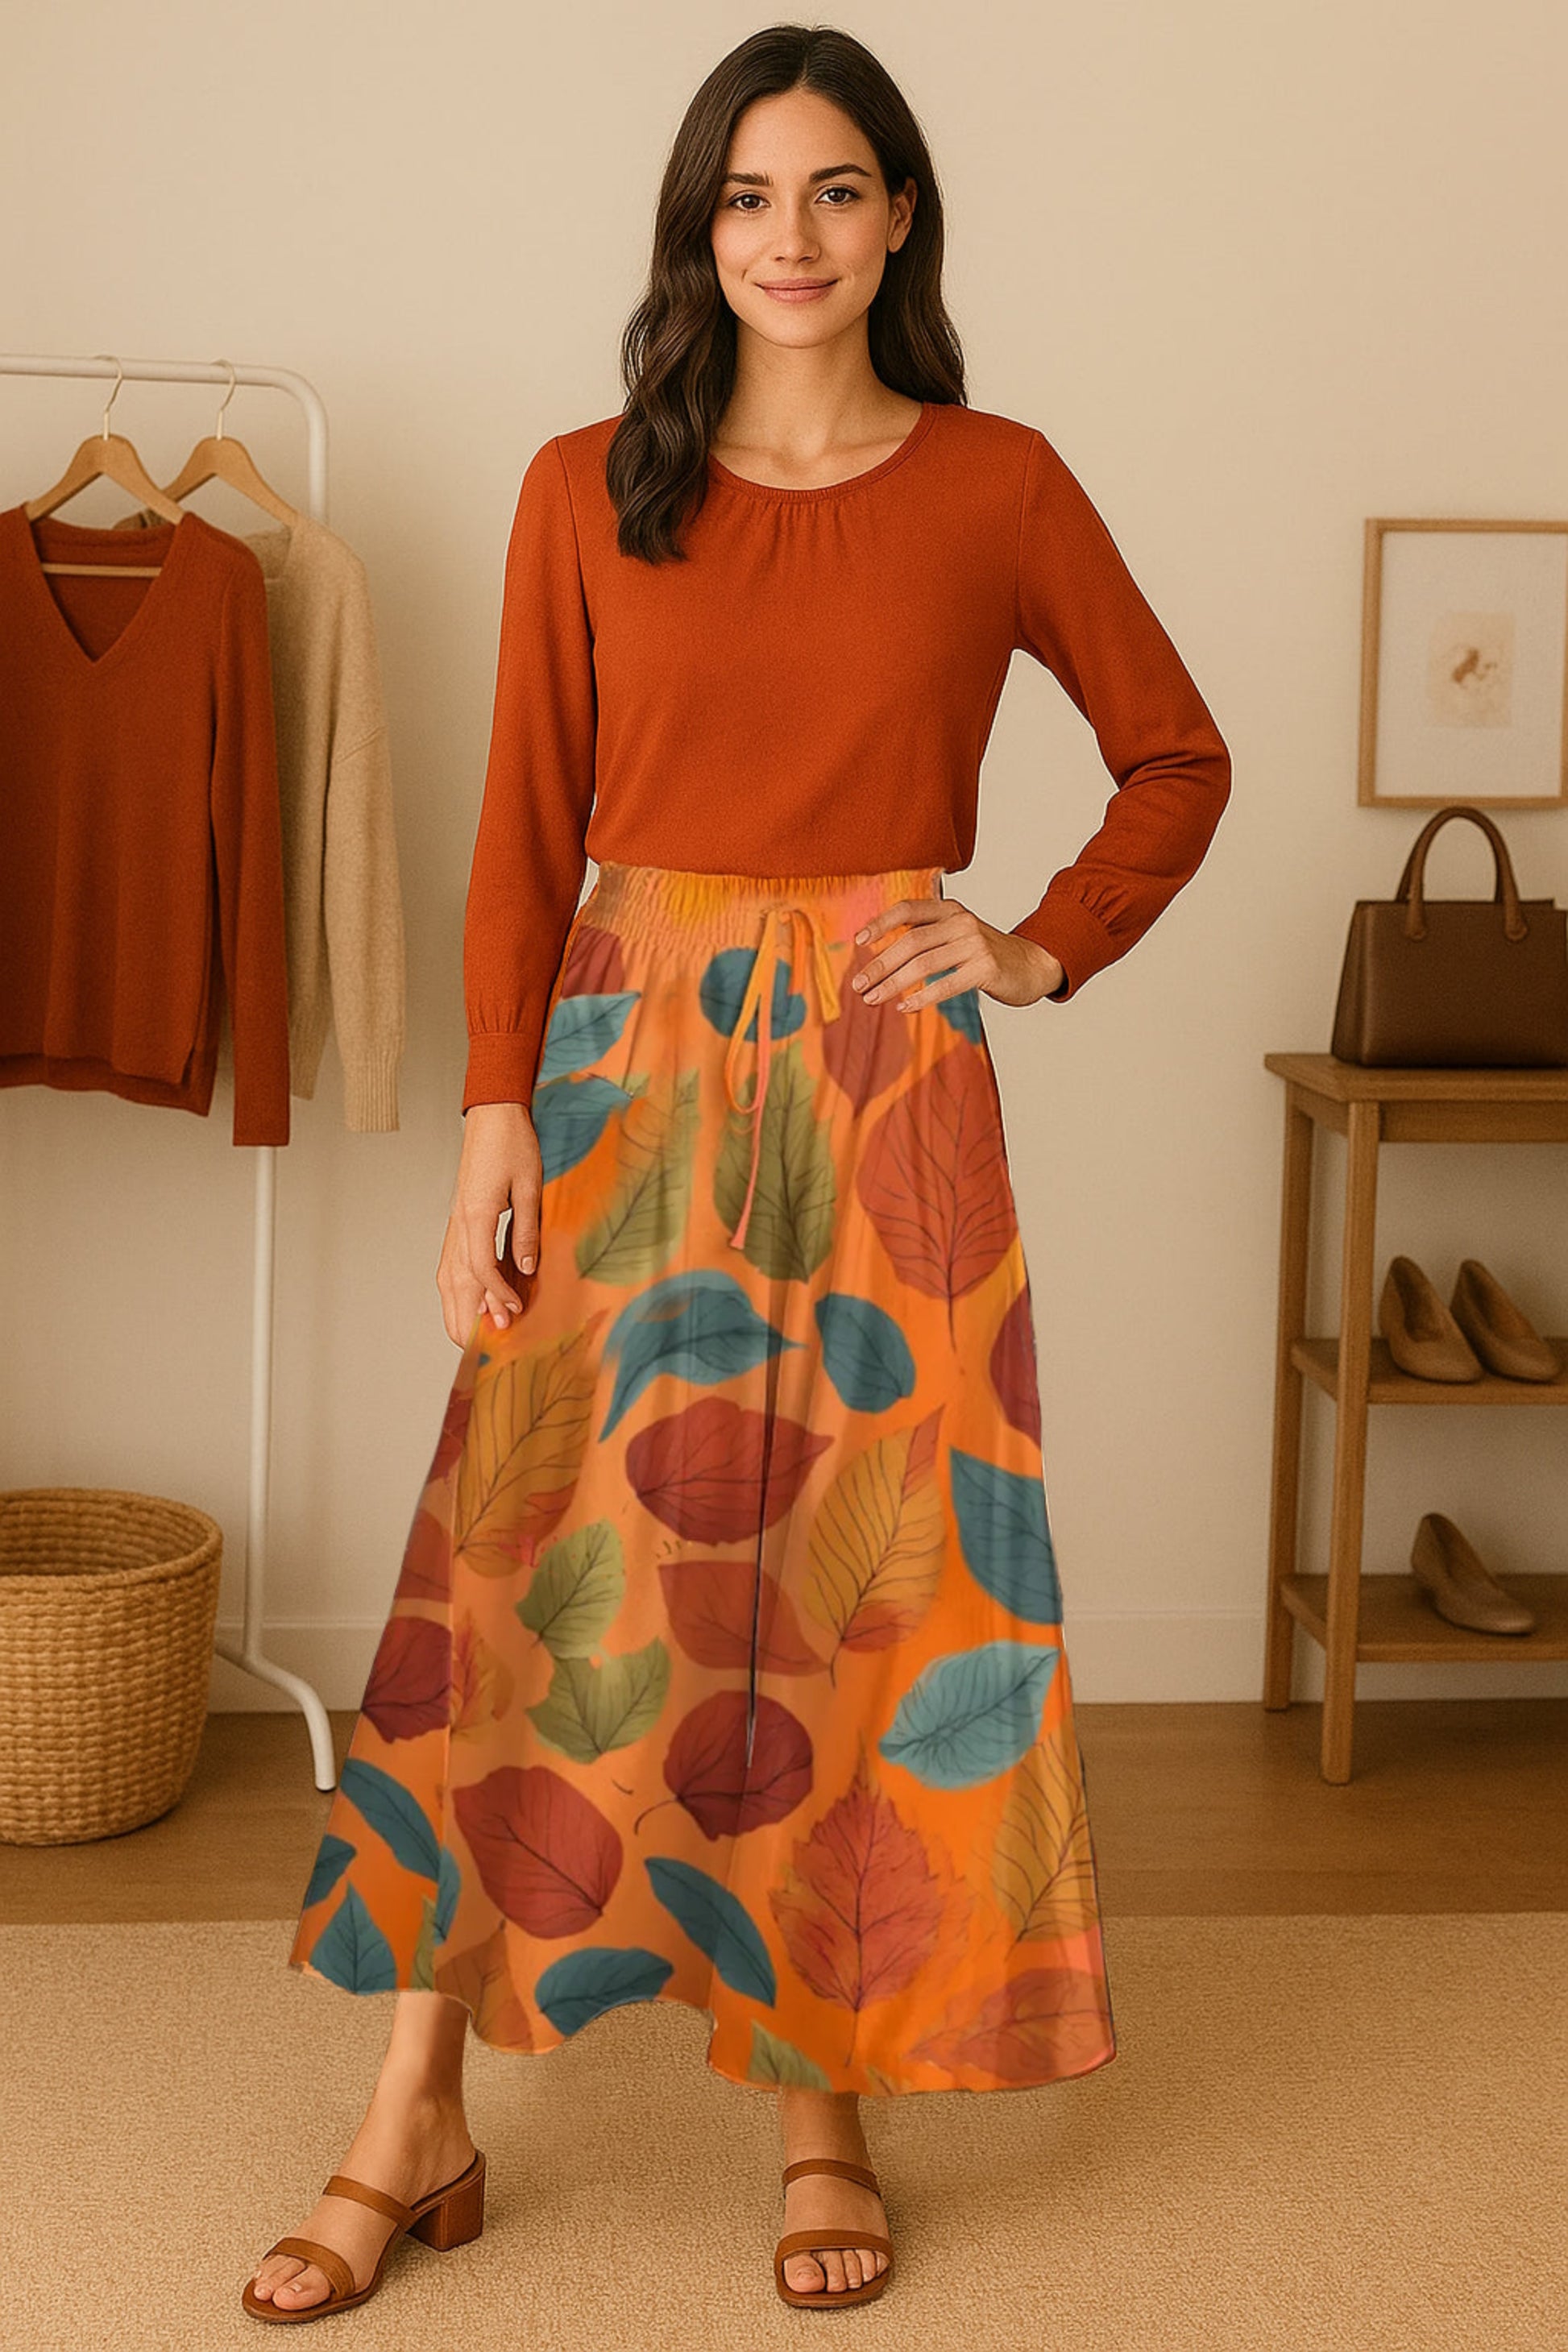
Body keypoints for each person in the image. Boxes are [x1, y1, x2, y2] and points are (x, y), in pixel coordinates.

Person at [245, 21, 1231, 2325]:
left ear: (900, 221)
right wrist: (496, 1105)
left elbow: (1172, 758)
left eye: (834, 191)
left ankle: (822, 2093)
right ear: (699, 235)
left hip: (891, 1081)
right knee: (531, 1560)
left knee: (851, 1579)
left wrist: (1030, 945)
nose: (789, 238)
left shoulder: (997, 483)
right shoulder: (588, 482)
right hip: (617, 1051)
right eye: (745, 199)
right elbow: (514, 823)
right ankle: (414, 2112)